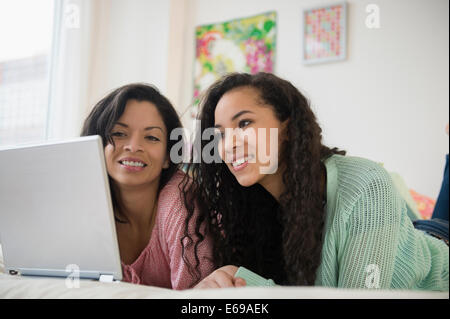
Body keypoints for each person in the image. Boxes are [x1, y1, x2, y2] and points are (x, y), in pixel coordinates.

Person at [181, 72, 449, 290]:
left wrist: (245, 282)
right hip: (406, 232)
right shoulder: (250, 205)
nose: (229, 146)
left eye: (244, 124)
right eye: (220, 135)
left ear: (286, 127)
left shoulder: (366, 183)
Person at [81, 83, 214, 289]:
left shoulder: (180, 201)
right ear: (98, 144)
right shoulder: (85, 201)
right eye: (119, 133)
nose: (133, 146)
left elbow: (194, 300)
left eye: (151, 137)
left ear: (167, 157)